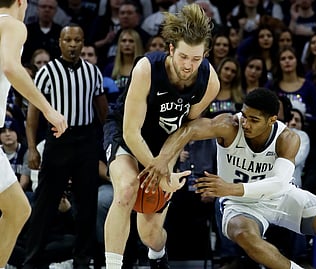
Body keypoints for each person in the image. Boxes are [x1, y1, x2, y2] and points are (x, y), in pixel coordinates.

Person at [153, 88, 316, 269]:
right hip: (240, 205)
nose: (245, 123)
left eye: (254, 120)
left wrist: (229, 187)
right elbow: (188, 130)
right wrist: (162, 160)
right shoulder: (229, 125)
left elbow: (278, 183)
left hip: (280, 196)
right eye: (244, 115)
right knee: (246, 237)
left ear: (271, 120)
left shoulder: (288, 138)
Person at [102, 3, 220, 269]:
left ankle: (158, 256)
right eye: (183, 57)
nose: (188, 65)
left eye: (196, 59)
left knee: (150, 234)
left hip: (165, 142)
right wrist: (161, 172)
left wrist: (166, 162)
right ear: (171, 50)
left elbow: (185, 129)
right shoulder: (146, 69)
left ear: (205, 55)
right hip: (126, 134)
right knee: (127, 189)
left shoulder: (210, 82)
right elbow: (131, 132)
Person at [24, 24, 108, 269]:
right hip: (58, 140)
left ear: (83, 43)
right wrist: (31, 148)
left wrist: (108, 146)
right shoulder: (46, 72)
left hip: (86, 141)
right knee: (45, 203)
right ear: (60, 42)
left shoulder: (93, 72)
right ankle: (31, 261)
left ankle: (83, 260)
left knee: (87, 204)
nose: (73, 45)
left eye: (78, 40)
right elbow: (33, 115)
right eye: (68, 40)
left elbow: (102, 112)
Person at [0, 0, 67, 267]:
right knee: (18, 210)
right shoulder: (13, 25)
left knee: (18, 210)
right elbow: (10, 67)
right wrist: (49, 110)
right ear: (21, 3)